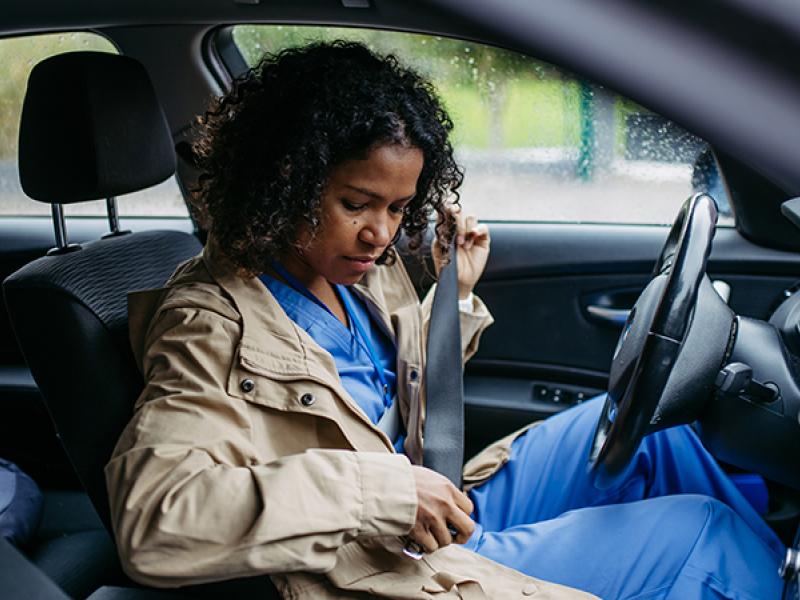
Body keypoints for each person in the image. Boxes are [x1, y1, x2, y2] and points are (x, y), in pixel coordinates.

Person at [106, 41, 785, 600]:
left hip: (436, 502)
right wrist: (383, 490)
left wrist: (454, 294)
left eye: (399, 208)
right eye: (357, 202)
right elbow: (156, 521)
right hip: (383, 565)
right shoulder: (208, 323)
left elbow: (377, 403)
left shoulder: (359, 272)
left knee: (658, 440)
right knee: (705, 538)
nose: (380, 234)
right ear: (289, 177)